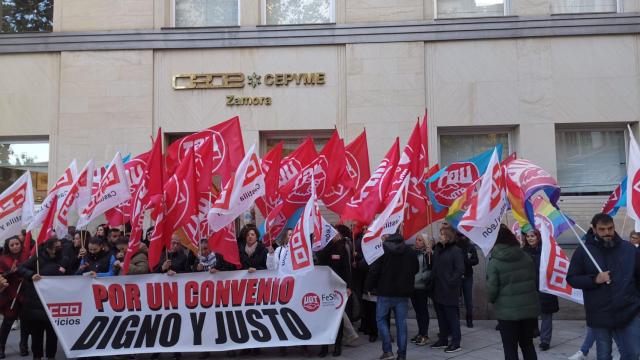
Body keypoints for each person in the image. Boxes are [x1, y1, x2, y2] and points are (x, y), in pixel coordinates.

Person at [567, 213, 640, 359]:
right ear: (594, 229)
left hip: (628, 311)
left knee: (633, 353)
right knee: (604, 355)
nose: (607, 233)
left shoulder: (629, 249)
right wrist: (595, 279)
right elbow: (572, 279)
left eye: (610, 228)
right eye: (602, 229)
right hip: (599, 313)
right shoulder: (583, 251)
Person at [487, 225, 540, 360]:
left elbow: (491, 290)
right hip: (528, 311)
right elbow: (533, 280)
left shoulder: (494, 262)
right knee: (528, 345)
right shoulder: (526, 256)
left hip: (507, 313)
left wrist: (492, 300)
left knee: (510, 348)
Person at [365, 231, 418, 360]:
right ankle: (402, 354)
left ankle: (387, 350)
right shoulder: (409, 251)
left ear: (388, 237)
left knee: (381, 320)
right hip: (402, 293)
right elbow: (416, 268)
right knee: (401, 323)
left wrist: (368, 287)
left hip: (385, 292)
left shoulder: (382, 250)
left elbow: (374, 270)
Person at [18, 237, 66, 360]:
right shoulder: (37, 259)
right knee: (37, 335)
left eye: (59, 246)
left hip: (54, 305)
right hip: (36, 304)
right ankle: (37, 356)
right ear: (48, 248)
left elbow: (69, 274)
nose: (58, 248)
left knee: (52, 335)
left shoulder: (63, 259)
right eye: (56, 246)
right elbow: (21, 268)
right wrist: (31, 275)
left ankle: (51, 356)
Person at [316, 229, 353, 357]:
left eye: (336, 233)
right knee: (324, 318)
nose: (335, 236)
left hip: (338, 287)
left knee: (338, 317)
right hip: (324, 287)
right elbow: (320, 259)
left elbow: (347, 268)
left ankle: (337, 345)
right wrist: (330, 243)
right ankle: (324, 347)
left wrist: (349, 286)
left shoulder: (343, 247)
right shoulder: (324, 247)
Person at [521, 229, 559, 351]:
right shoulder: (523, 252)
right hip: (529, 288)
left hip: (545, 288)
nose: (530, 238)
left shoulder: (547, 250)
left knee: (546, 315)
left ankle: (545, 340)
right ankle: (533, 332)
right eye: (528, 236)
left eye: (533, 236)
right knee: (530, 315)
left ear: (538, 237)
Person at [430, 225, 464, 353]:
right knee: (441, 317)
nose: (440, 236)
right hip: (437, 289)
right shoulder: (439, 249)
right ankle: (443, 339)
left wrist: (450, 281)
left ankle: (456, 342)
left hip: (449, 290)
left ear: (448, 237)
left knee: (452, 317)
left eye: (442, 234)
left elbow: (460, 269)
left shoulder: (456, 250)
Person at [0, 236, 29, 358]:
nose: (15, 246)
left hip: (26, 293)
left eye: (17, 243)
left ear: (20, 244)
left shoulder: (27, 256)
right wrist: (11, 272)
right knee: (8, 321)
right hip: (10, 294)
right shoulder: (2, 259)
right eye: (12, 245)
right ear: (8, 247)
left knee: (26, 322)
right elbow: (1, 276)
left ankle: (23, 345)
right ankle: (1, 347)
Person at [410, 234, 431, 346]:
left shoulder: (427, 254)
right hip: (413, 286)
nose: (417, 242)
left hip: (421, 287)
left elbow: (431, 269)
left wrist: (423, 276)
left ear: (425, 242)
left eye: (420, 240)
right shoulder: (413, 253)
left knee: (423, 311)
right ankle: (420, 333)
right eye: (416, 240)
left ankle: (424, 335)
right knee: (418, 312)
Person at [456, 233, 479, 328]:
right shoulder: (455, 247)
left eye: (464, 236)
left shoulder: (471, 247)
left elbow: (476, 260)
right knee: (456, 299)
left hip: (467, 276)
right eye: (461, 236)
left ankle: (469, 318)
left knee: (468, 299)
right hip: (457, 276)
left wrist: (467, 261)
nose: (463, 238)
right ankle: (455, 319)